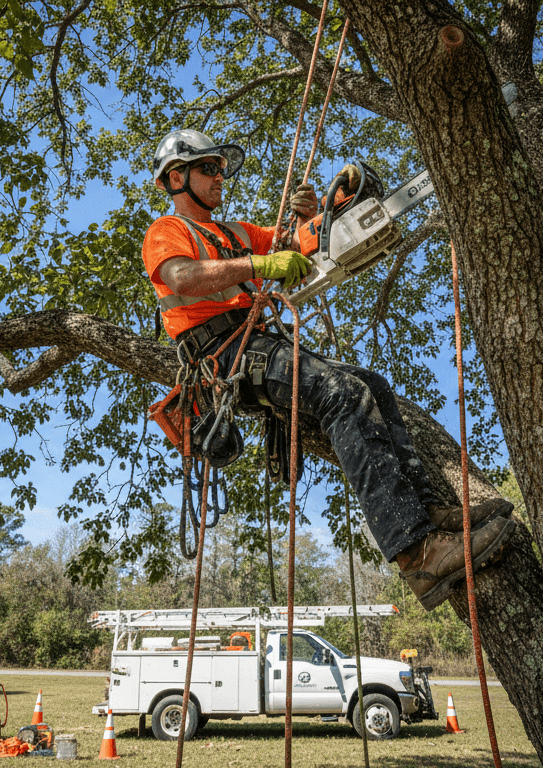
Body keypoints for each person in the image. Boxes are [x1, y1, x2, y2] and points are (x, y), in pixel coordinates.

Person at [142, 129, 515, 610]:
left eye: (219, 168)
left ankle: (428, 511)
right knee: (342, 392)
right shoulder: (169, 232)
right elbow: (183, 277)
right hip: (221, 353)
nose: (219, 178)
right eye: (208, 169)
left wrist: (319, 212)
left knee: (372, 385)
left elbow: (300, 244)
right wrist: (260, 264)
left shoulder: (235, 233)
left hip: (258, 342)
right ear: (177, 177)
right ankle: (416, 553)